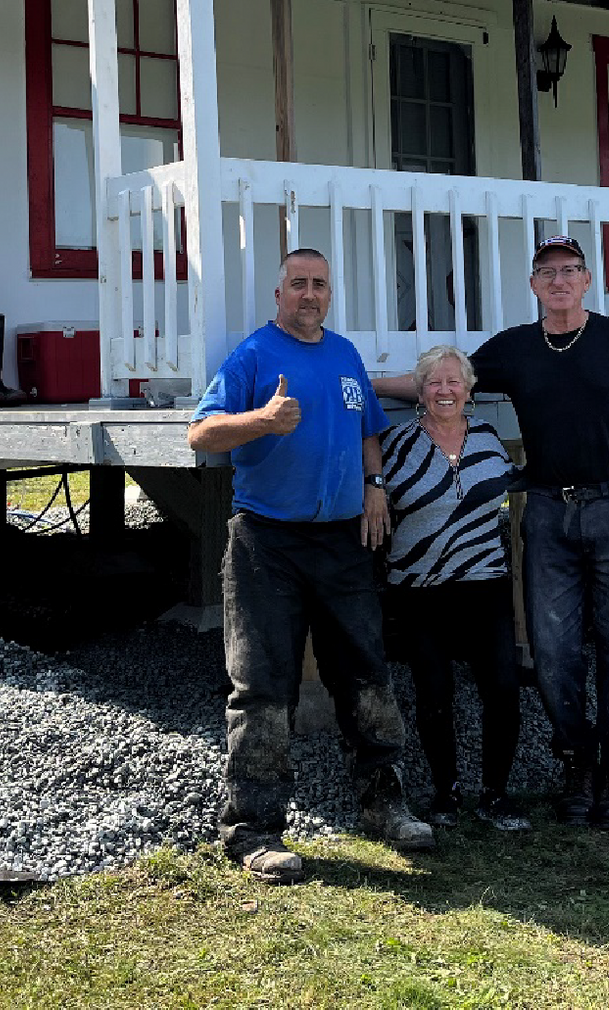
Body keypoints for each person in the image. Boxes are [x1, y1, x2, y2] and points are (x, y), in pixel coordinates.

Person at [375, 234, 609, 830]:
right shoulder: (515, 349)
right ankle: (576, 766)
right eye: (548, 272)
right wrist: (361, 383)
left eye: (571, 270)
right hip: (549, 513)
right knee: (554, 656)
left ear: (585, 281)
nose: (559, 281)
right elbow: (449, 380)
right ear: (533, 285)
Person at [187, 249, 434, 885]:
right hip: (267, 543)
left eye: (319, 284)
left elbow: (369, 430)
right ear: (279, 293)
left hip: (342, 543)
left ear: (330, 293)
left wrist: (375, 482)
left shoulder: (346, 355)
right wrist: (261, 421)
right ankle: (254, 830)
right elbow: (201, 434)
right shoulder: (253, 356)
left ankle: (386, 807)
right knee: (263, 684)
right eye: (298, 283)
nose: (309, 294)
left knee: (366, 675)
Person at [378, 344, 529, 832]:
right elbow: (373, 490)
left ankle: (495, 795)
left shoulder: (487, 436)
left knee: (503, 689)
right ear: (420, 392)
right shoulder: (397, 442)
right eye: (434, 383)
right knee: (434, 693)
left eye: (454, 381)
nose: (445, 390)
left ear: (469, 389)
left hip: (485, 584)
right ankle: (445, 793)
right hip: (421, 588)